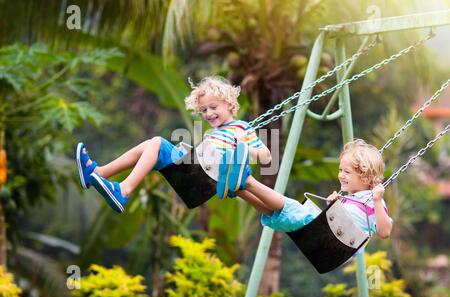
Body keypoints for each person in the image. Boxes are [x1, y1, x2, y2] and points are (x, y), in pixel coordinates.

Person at [75, 76, 271, 212]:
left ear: (229, 104)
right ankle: (98, 173)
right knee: (150, 145)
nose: (208, 114)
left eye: (213, 107)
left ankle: (123, 191)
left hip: (204, 182)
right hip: (197, 174)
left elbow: (267, 156)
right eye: (203, 110)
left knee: (158, 143)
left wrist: (244, 149)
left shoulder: (242, 128)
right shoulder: (214, 133)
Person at [225, 139, 392, 238]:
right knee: (274, 213)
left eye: (347, 172)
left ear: (366, 177)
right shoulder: (351, 199)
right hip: (326, 235)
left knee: (291, 207)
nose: (341, 175)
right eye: (340, 170)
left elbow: (384, 231)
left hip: (333, 239)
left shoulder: (372, 199)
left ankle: (247, 180)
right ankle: (238, 190)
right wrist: (333, 206)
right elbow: (342, 220)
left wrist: (377, 201)